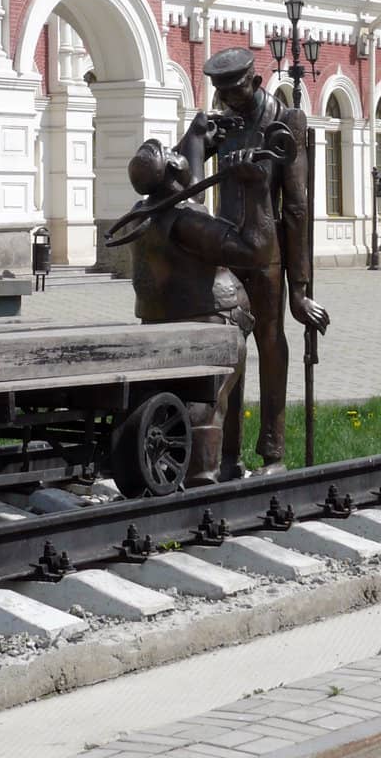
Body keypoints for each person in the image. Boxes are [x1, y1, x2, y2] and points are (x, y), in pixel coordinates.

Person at [202, 46, 330, 475]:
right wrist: (199, 135)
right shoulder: (223, 121)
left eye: (235, 91)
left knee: (270, 346)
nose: (228, 100)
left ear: (255, 82)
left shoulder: (284, 121)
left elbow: (295, 207)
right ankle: (226, 454)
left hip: (267, 255)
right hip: (225, 252)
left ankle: (273, 452)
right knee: (226, 349)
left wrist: (301, 291)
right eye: (221, 93)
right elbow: (181, 171)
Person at [119, 109, 260, 484]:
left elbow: (189, 180)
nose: (179, 150)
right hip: (213, 324)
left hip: (166, 319)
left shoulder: (143, 212)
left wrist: (197, 135)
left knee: (219, 400)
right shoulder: (187, 221)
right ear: (172, 170)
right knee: (211, 404)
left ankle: (226, 464)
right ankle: (205, 475)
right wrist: (253, 188)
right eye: (173, 151)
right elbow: (253, 250)